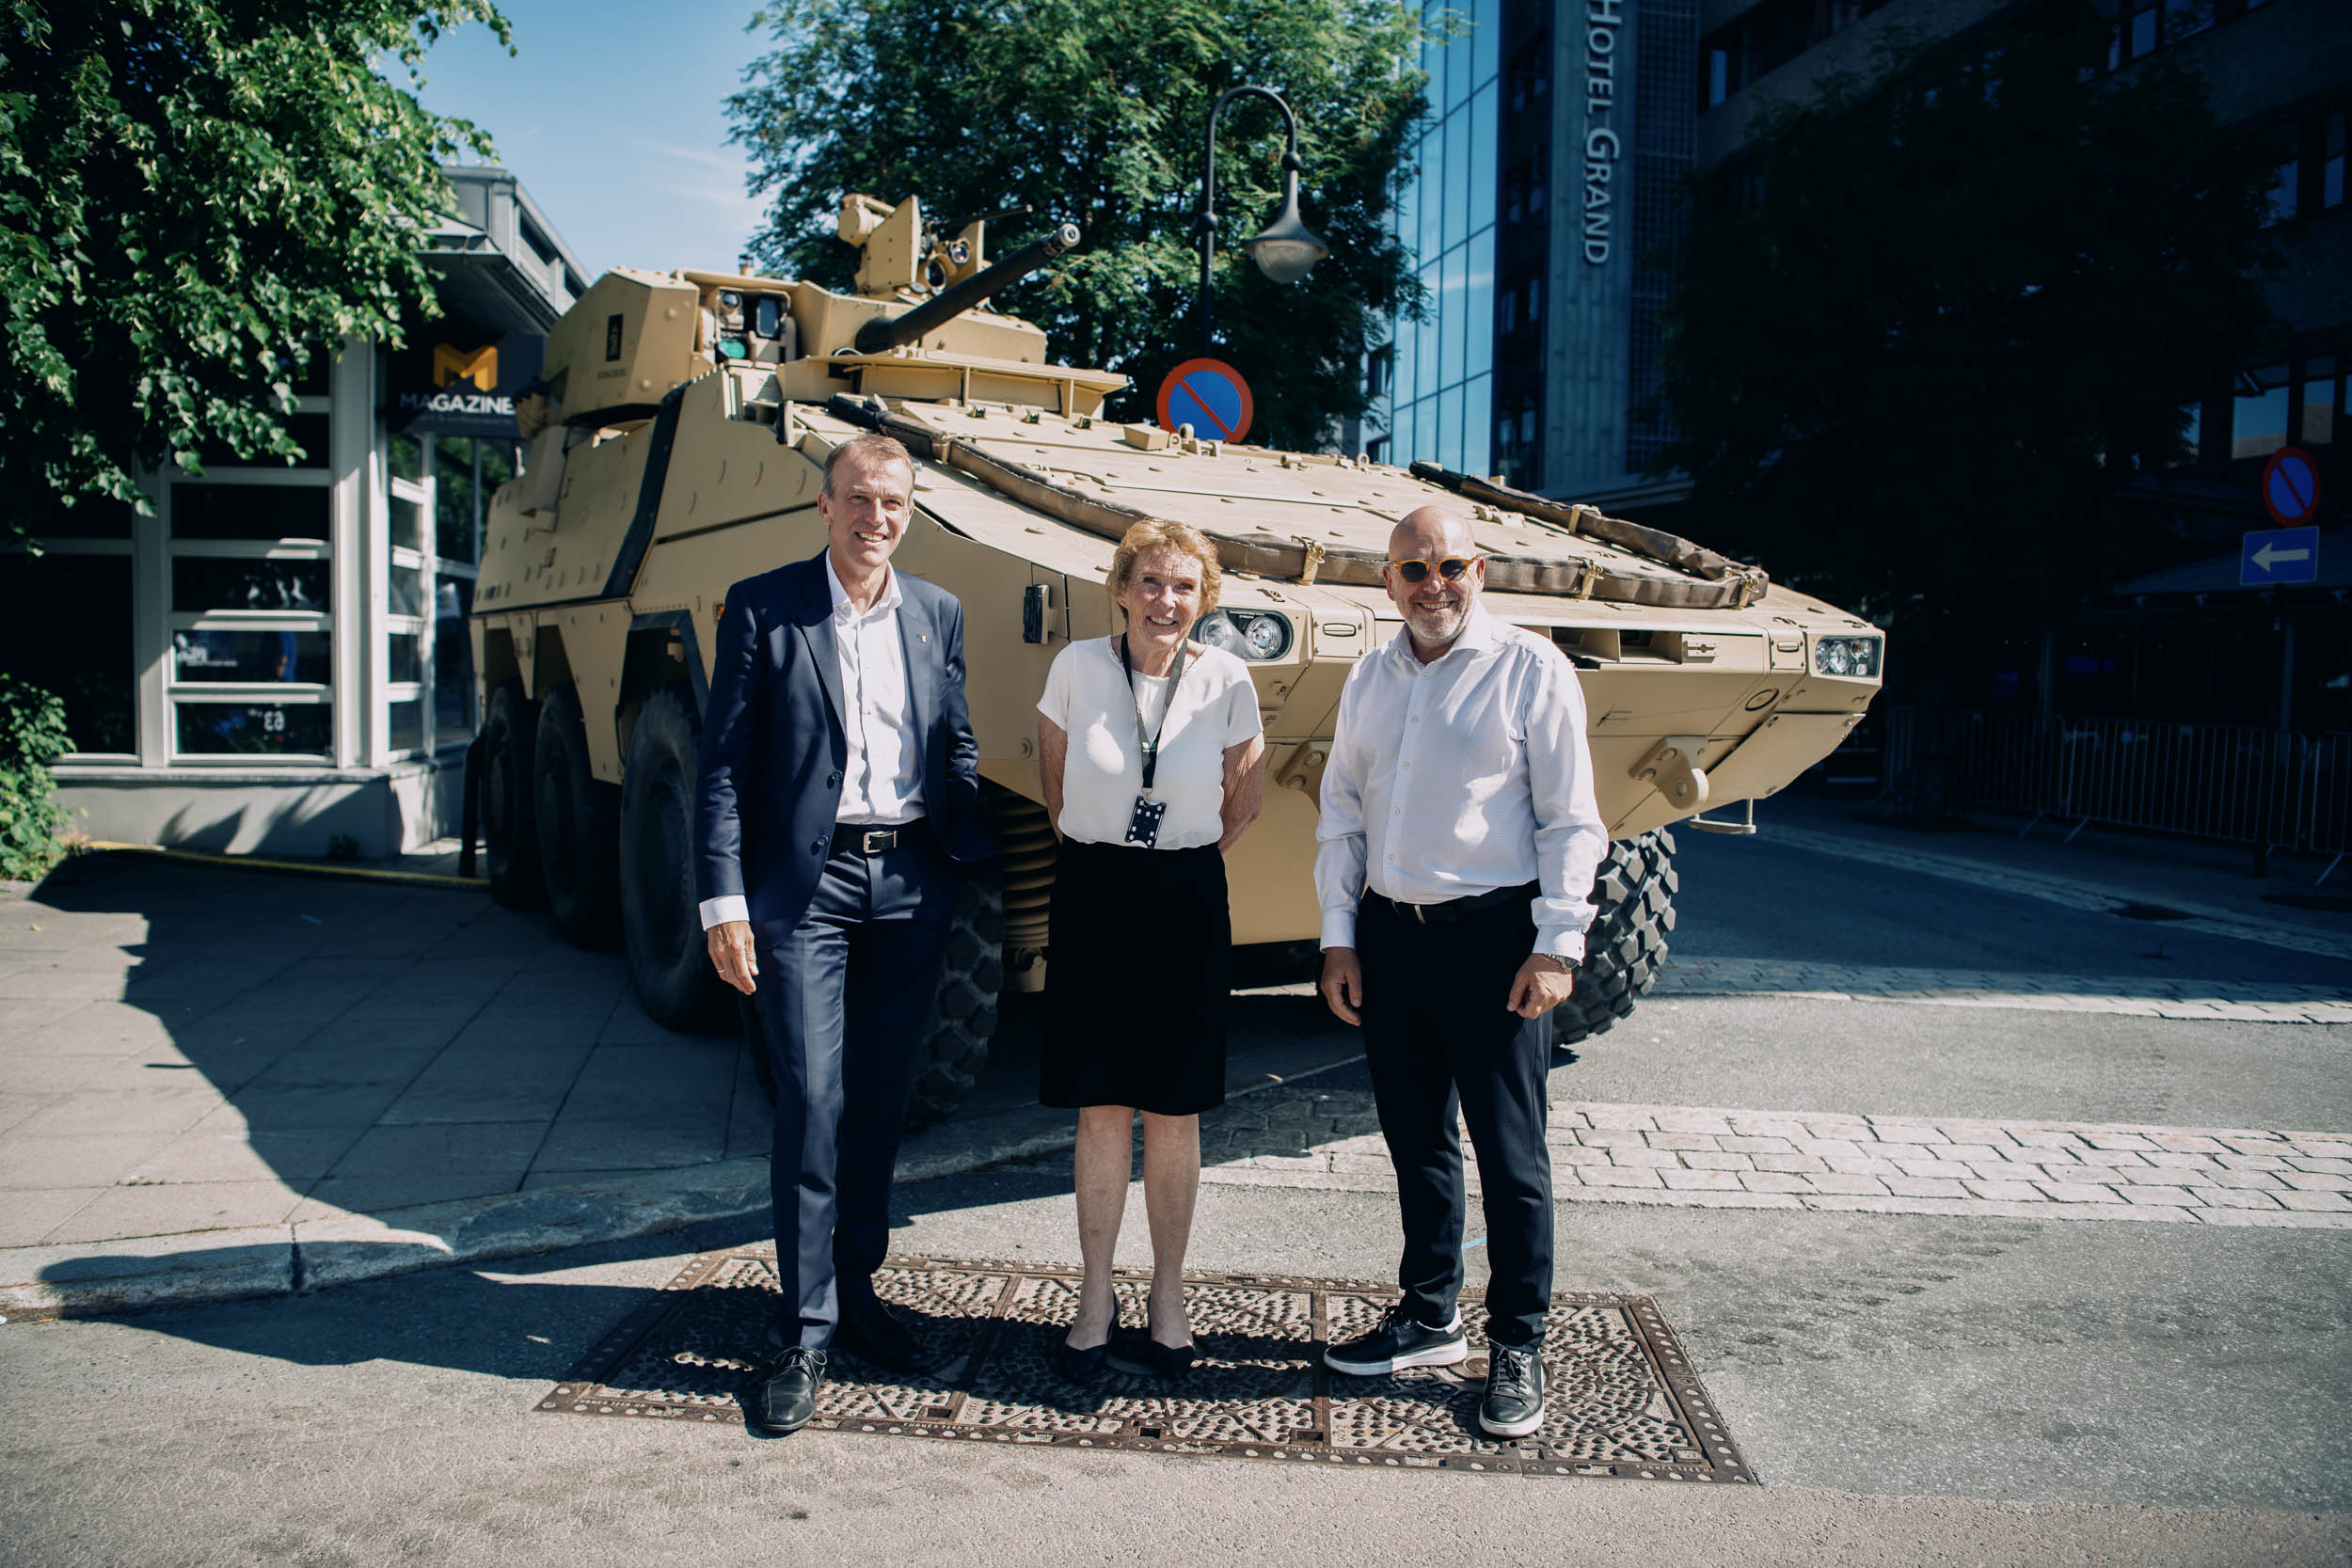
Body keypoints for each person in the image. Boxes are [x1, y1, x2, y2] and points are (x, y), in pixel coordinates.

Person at [696, 432, 994, 1436]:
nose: (878, 518)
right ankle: (803, 1326)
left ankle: (856, 1294)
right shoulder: (765, 604)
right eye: (860, 499)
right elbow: (723, 766)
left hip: (910, 880)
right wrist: (724, 903)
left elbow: (953, 740)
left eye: (896, 503)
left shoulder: (938, 613)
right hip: (805, 889)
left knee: (878, 1101)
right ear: (824, 507)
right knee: (812, 1097)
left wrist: (966, 859)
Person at [1312, 504, 1607, 1440]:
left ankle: (1518, 1340)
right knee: (1417, 1142)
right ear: (1387, 581)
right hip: (1390, 939)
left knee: (1510, 1155)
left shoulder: (1531, 669)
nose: (1432, 584)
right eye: (1413, 569)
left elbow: (1571, 820)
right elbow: (1341, 814)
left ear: (1480, 570)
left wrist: (1556, 945)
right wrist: (1337, 935)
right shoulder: (1369, 675)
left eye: (1449, 566)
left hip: (1494, 944)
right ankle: (1429, 1313)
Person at [1035, 518, 1265, 1381]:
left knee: (1175, 1108)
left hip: (1186, 898)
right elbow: (1055, 787)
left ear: (1202, 599)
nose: (1167, 601)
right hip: (1094, 891)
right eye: (1152, 583)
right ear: (1123, 589)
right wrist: (1115, 854)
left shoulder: (1227, 679)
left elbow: (1243, 797)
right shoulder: (1075, 669)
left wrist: (1178, 861)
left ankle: (1168, 1296)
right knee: (1100, 1105)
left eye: (1185, 586)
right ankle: (1096, 1297)